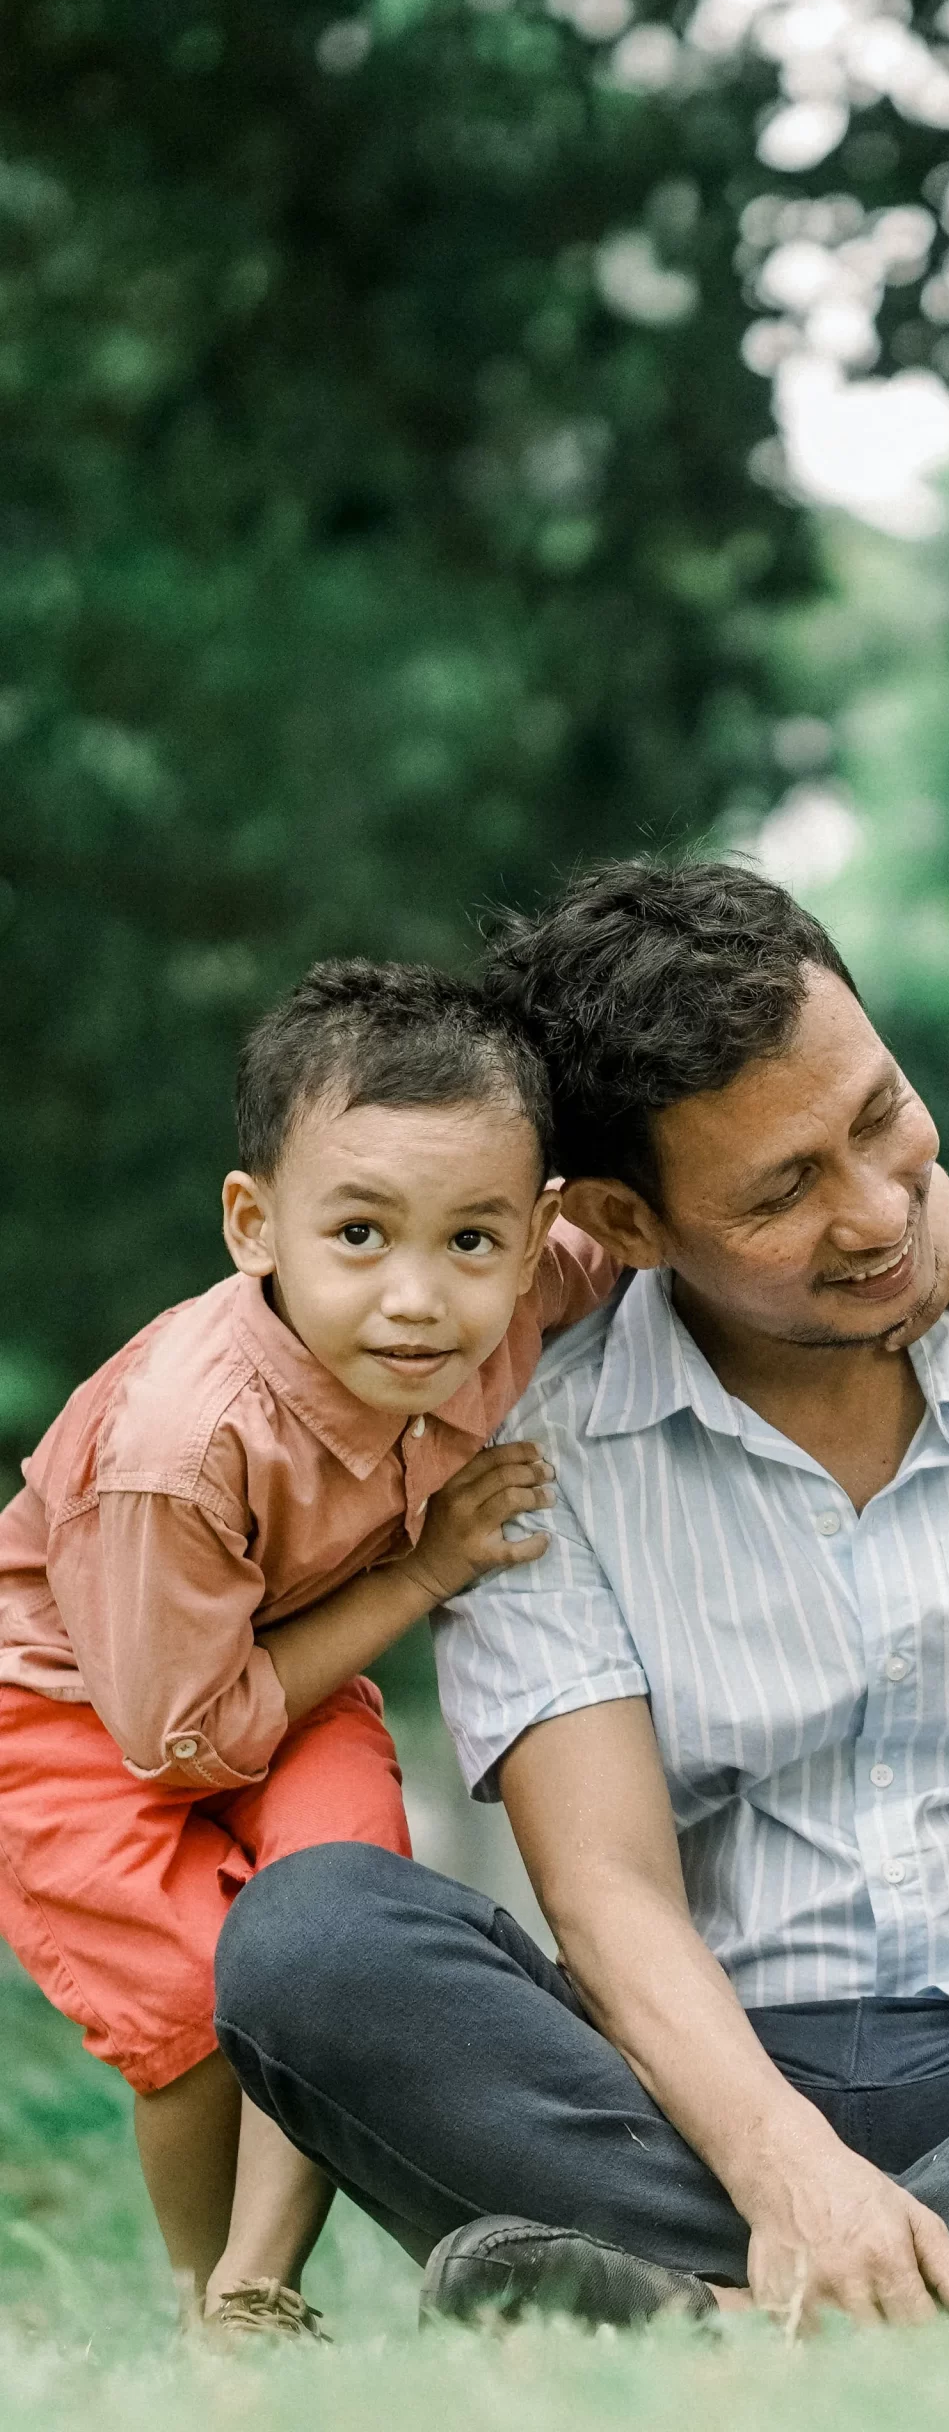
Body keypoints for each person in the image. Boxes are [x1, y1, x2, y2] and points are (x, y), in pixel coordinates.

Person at [210, 860, 949, 2333]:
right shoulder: (544, 1458)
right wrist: (794, 2176)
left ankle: (722, 2321)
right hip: (713, 2106)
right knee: (310, 1935)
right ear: (624, 1223)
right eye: (785, 1190)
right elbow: (608, 1896)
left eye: (879, 1118)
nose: (875, 1212)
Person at [0, 963, 599, 2336]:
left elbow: (674, 1224)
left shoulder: (526, 1286)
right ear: (251, 1224)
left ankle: (253, 2294)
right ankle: (196, 2296)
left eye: (471, 1242)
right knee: (194, 2020)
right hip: (82, 1713)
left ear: (536, 1230)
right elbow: (182, 1735)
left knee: (335, 1947)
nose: (419, 1299)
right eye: (361, 1235)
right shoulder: (179, 1446)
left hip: (288, 1671)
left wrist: (939, 1245)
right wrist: (435, 1562)